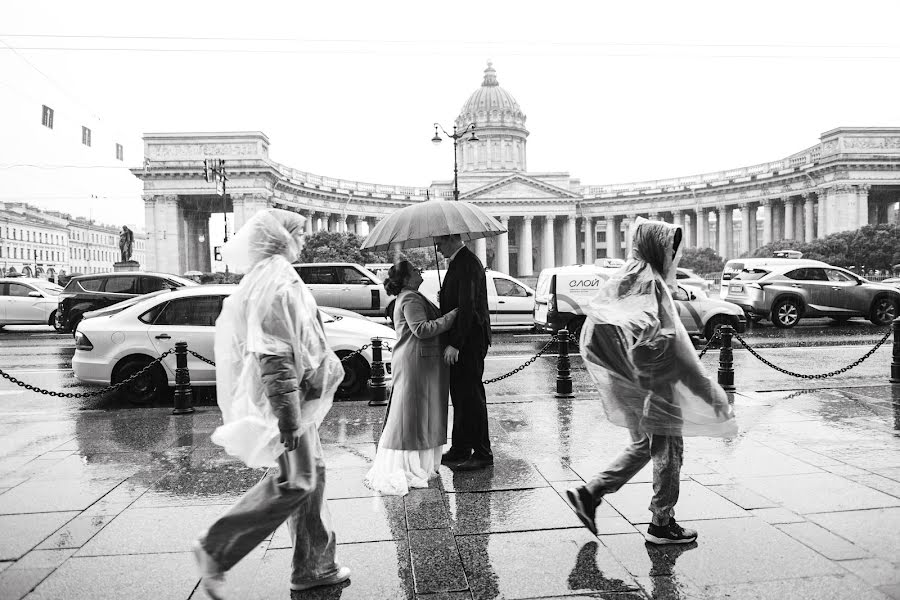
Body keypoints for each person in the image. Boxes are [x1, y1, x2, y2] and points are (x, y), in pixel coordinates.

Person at [192, 209, 350, 599]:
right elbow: (276, 357)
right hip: (290, 402)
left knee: (310, 480)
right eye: (298, 232)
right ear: (280, 238)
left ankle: (315, 566)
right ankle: (216, 548)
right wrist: (289, 417)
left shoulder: (266, 278)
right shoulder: (280, 284)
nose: (303, 239)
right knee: (295, 481)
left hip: (296, 400)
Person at [565, 218, 736, 545]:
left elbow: (593, 335)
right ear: (657, 247)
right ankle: (662, 522)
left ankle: (591, 493)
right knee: (669, 451)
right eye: (670, 247)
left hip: (624, 381)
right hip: (654, 386)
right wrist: (710, 394)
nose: (673, 254)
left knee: (645, 445)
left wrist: (621, 372)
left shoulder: (623, 278)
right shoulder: (651, 285)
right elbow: (675, 349)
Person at [365, 260, 458, 495]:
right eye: (415, 270)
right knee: (414, 414)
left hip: (419, 361)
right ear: (406, 279)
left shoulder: (411, 296)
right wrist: (451, 316)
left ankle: (419, 463)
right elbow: (422, 329)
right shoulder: (410, 298)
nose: (420, 271)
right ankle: (411, 466)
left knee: (418, 412)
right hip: (417, 362)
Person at [435, 234, 493, 471]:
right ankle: (460, 448)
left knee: (471, 397)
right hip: (466, 340)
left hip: (469, 342)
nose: (438, 249)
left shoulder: (467, 263)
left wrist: (455, 344)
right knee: (460, 396)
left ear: (450, 240)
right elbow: (459, 301)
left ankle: (482, 452)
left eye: (440, 243)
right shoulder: (460, 262)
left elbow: (467, 307)